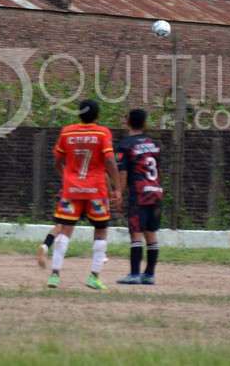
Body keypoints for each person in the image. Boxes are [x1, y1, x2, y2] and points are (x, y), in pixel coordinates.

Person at [46, 99, 120, 290]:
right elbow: (110, 161)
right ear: (97, 116)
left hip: (72, 191)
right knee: (101, 230)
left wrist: (67, 179)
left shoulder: (67, 132)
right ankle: (94, 276)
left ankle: (54, 275)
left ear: (79, 114)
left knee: (65, 230)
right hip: (96, 191)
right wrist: (117, 187)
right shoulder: (102, 133)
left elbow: (57, 162)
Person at [114, 108, 163, 285]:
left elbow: (123, 173)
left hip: (139, 194)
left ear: (127, 122)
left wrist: (119, 193)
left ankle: (134, 274)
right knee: (151, 234)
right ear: (145, 124)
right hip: (156, 192)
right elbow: (159, 169)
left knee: (136, 233)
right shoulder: (154, 144)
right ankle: (149, 275)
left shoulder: (125, 145)